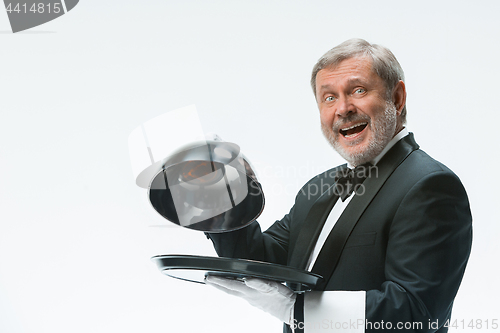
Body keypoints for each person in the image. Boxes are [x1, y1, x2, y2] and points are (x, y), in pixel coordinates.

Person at [204, 39, 472, 333]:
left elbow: (415, 311)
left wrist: (295, 310)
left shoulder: (430, 186)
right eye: (329, 97)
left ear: (397, 97)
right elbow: (260, 261)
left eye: (358, 90)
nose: (343, 108)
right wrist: (221, 200)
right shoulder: (317, 188)